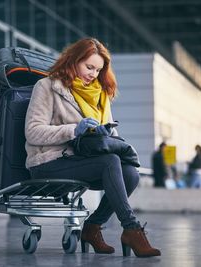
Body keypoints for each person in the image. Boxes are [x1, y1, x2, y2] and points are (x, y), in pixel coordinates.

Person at [24, 38, 160, 257]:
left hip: (84, 160)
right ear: (74, 61)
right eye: (89, 67)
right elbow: (33, 131)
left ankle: (92, 228)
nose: (93, 74)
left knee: (131, 175)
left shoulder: (101, 94)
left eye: (98, 70)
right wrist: (74, 130)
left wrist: (106, 134)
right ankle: (132, 229)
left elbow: (110, 135)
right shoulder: (48, 87)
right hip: (49, 161)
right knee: (110, 162)